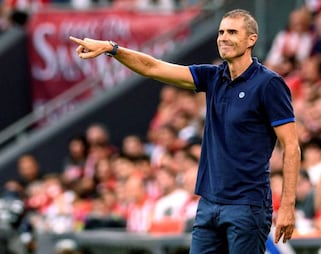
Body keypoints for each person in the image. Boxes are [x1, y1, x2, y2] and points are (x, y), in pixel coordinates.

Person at [69, 8, 300, 253]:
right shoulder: (213, 77)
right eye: (221, 32)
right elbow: (153, 67)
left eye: (232, 32)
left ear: (251, 39)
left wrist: (287, 205)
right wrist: (112, 49)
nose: (223, 37)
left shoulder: (269, 84)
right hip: (208, 204)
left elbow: (291, 147)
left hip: (247, 205)